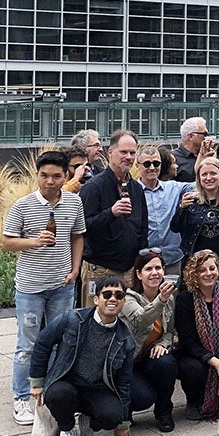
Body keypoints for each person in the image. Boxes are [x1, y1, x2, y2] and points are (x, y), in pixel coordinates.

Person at [2, 150, 86, 426]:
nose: (49, 181)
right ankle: (21, 397)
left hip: (62, 284)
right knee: (27, 345)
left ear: (66, 176)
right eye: (44, 175)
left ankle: (51, 393)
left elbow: (77, 236)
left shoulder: (74, 202)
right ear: (37, 175)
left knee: (60, 341)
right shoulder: (23, 205)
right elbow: (7, 241)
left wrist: (75, 269)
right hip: (31, 287)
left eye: (56, 176)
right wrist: (34, 242)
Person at [30, 276, 134, 436]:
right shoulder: (71, 319)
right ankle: (67, 430)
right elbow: (43, 343)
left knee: (112, 415)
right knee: (58, 394)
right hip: (67, 382)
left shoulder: (125, 339)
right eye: (107, 294)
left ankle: (88, 422)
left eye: (119, 295)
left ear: (123, 301)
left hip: (97, 389)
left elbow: (124, 383)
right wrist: (37, 381)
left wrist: (123, 423)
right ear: (96, 299)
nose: (113, 299)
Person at [174, 251, 219, 421]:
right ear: (194, 274)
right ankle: (194, 400)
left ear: (218, 269)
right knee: (193, 369)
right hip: (196, 357)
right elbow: (188, 342)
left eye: (212, 268)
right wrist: (216, 362)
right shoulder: (185, 299)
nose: (208, 273)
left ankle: (217, 395)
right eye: (202, 270)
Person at [79, 130, 148, 306]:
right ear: (110, 152)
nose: (128, 157)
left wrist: (140, 261)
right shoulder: (93, 187)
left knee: (129, 319)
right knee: (95, 317)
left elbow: (143, 227)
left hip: (129, 270)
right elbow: (83, 227)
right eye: (123, 152)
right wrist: (111, 213)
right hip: (100, 270)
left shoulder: (136, 188)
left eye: (132, 153)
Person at [170, 156, 219, 291]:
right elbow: (175, 227)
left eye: (213, 173)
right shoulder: (190, 198)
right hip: (195, 263)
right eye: (204, 174)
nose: (209, 178)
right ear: (199, 178)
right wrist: (182, 208)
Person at [121, 250, 178, 432]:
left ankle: (164, 411)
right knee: (143, 398)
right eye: (148, 269)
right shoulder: (128, 298)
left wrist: (162, 344)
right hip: (127, 363)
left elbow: (169, 332)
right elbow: (141, 319)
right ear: (139, 274)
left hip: (148, 357)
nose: (154, 273)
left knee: (166, 362)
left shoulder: (169, 299)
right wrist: (161, 300)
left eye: (158, 268)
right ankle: (124, 409)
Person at [136, 147, 192, 276]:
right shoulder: (131, 191)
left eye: (156, 163)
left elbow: (201, 185)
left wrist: (203, 159)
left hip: (172, 259)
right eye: (147, 164)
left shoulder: (174, 188)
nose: (152, 168)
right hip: (143, 260)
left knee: (172, 289)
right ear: (137, 165)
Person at [172, 117, 212, 182]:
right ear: (191, 136)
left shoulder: (209, 155)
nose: (207, 138)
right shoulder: (173, 158)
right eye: (204, 134)